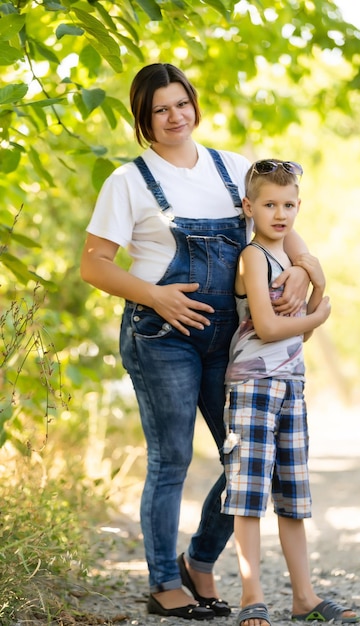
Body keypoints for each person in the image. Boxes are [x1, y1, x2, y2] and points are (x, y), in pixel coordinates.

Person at [80, 63, 311, 621]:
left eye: (180, 103)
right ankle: (164, 582)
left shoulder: (233, 169)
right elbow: (94, 265)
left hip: (231, 337)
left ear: (194, 105)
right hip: (162, 336)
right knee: (172, 458)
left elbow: (277, 228)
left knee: (244, 458)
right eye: (160, 109)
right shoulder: (128, 181)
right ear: (144, 119)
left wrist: (304, 266)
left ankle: (199, 559)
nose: (174, 116)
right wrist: (157, 296)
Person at [221, 159, 359, 626]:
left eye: (289, 205)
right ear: (249, 207)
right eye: (269, 204)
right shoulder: (253, 257)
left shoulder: (291, 260)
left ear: (299, 207)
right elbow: (267, 325)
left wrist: (317, 284)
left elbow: (297, 338)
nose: (280, 214)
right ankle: (250, 595)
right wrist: (318, 316)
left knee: (293, 495)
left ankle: (304, 597)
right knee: (248, 493)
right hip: (253, 385)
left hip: (291, 383)